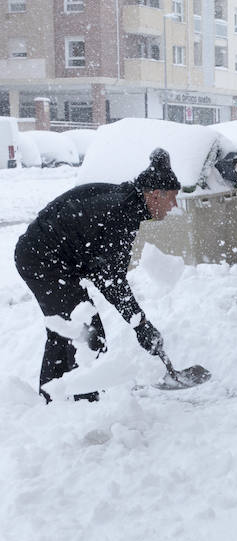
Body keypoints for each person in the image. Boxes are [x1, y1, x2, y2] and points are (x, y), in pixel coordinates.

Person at [14, 148, 181, 403]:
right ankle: (85, 404)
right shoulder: (120, 215)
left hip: (50, 257)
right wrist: (140, 325)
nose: (175, 206)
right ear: (155, 195)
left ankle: (53, 400)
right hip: (42, 260)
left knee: (69, 329)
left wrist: (139, 324)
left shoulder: (126, 202)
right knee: (87, 332)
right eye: (172, 198)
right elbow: (111, 279)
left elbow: (101, 267)